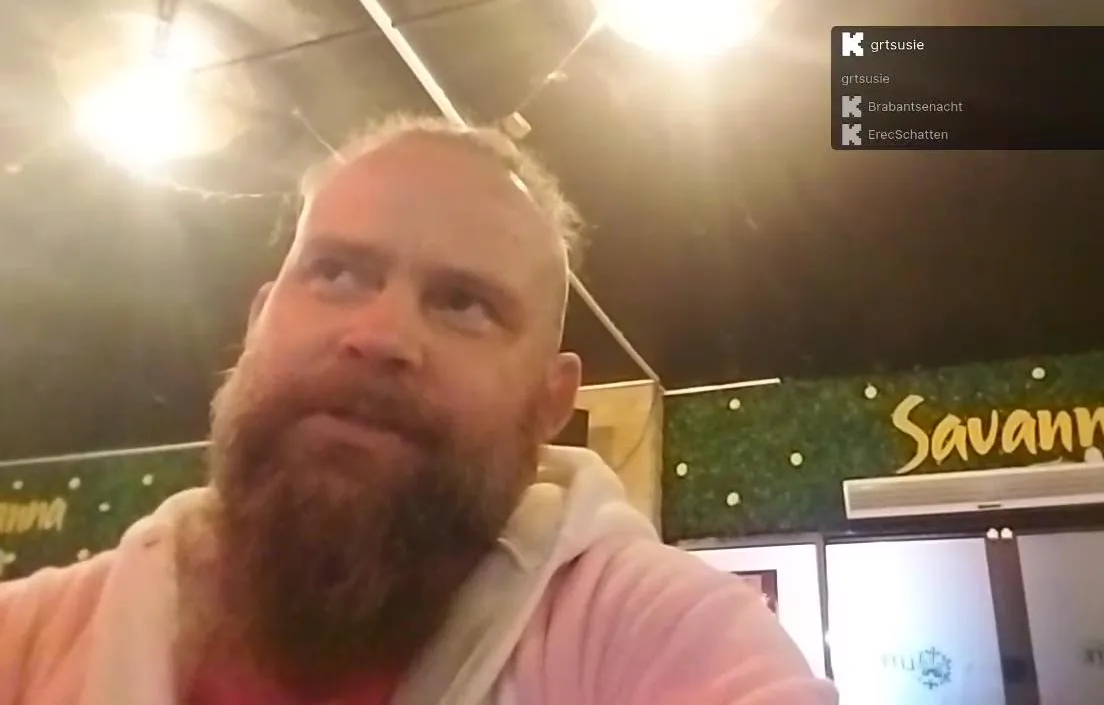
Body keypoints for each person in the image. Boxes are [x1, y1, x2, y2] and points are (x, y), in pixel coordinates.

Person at [0, 115, 838, 705]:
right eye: (337, 273)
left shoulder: (652, 635)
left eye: (464, 303)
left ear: (551, 402)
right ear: (257, 323)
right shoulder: (32, 641)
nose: (379, 336)